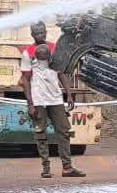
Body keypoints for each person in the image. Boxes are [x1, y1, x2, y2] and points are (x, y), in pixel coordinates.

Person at [20, 22, 85, 179]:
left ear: (46, 32)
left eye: (42, 32)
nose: (40, 35)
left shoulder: (55, 49)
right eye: (37, 33)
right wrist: (30, 104)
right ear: (32, 34)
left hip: (55, 99)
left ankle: (67, 167)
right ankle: (46, 168)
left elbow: (61, 73)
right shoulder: (28, 53)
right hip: (39, 99)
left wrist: (69, 94)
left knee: (63, 132)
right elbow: (25, 80)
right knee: (41, 133)